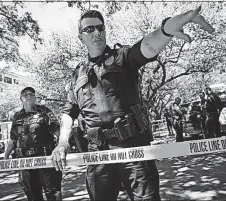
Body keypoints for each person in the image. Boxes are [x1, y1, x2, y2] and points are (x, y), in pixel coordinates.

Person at [51, 7, 214, 201]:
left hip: (133, 149)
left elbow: (146, 46)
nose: (96, 32)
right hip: (98, 154)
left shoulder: (123, 57)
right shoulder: (77, 74)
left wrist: (166, 30)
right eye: (89, 29)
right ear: (81, 37)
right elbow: (68, 112)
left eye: (100, 27)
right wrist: (62, 143)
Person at [4, 87, 62, 201]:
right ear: (21, 98)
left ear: (35, 97)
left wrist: (61, 146)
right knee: (33, 196)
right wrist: (6, 154)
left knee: (53, 194)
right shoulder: (17, 116)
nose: (28, 96)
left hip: (45, 159)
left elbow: (57, 130)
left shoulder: (44, 111)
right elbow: (13, 138)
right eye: (25, 94)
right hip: (25, 162)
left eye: (31, 94)